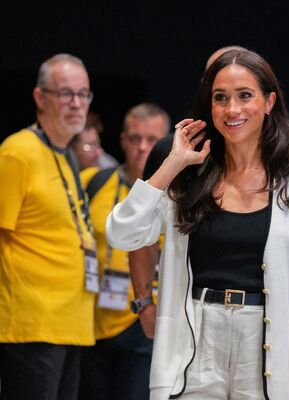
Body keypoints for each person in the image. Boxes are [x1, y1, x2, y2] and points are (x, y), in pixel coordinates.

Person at [105, 49, 289, 399]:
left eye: (245, 95)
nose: (232, 109)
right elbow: (122, 234)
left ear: (269, 101)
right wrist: (172, 164)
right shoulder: (186, 177)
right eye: (220, 98)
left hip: (270, 342)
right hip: (194, 341)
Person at [127, 45, 249, 344]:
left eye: (243, 92)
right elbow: (139, 232)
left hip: (260, 318)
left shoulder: (280, 157)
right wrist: (144, 301)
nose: (232, 104)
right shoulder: (171, 150)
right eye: (219, 88)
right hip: (186, 316)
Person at [0, 53, 95, 400]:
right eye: (65, 93)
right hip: (32, 324)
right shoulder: (17, 153)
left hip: (71, 323)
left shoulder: (66, 155)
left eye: (83, 94)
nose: (76, 103)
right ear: (40, 98)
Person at [77, 103, 169, 400]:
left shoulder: (177, 196)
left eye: (152, 140)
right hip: (92, 319)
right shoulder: (94, 182)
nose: (142, 147)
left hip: (144, 318)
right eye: (135, 138)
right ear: (122, 140)